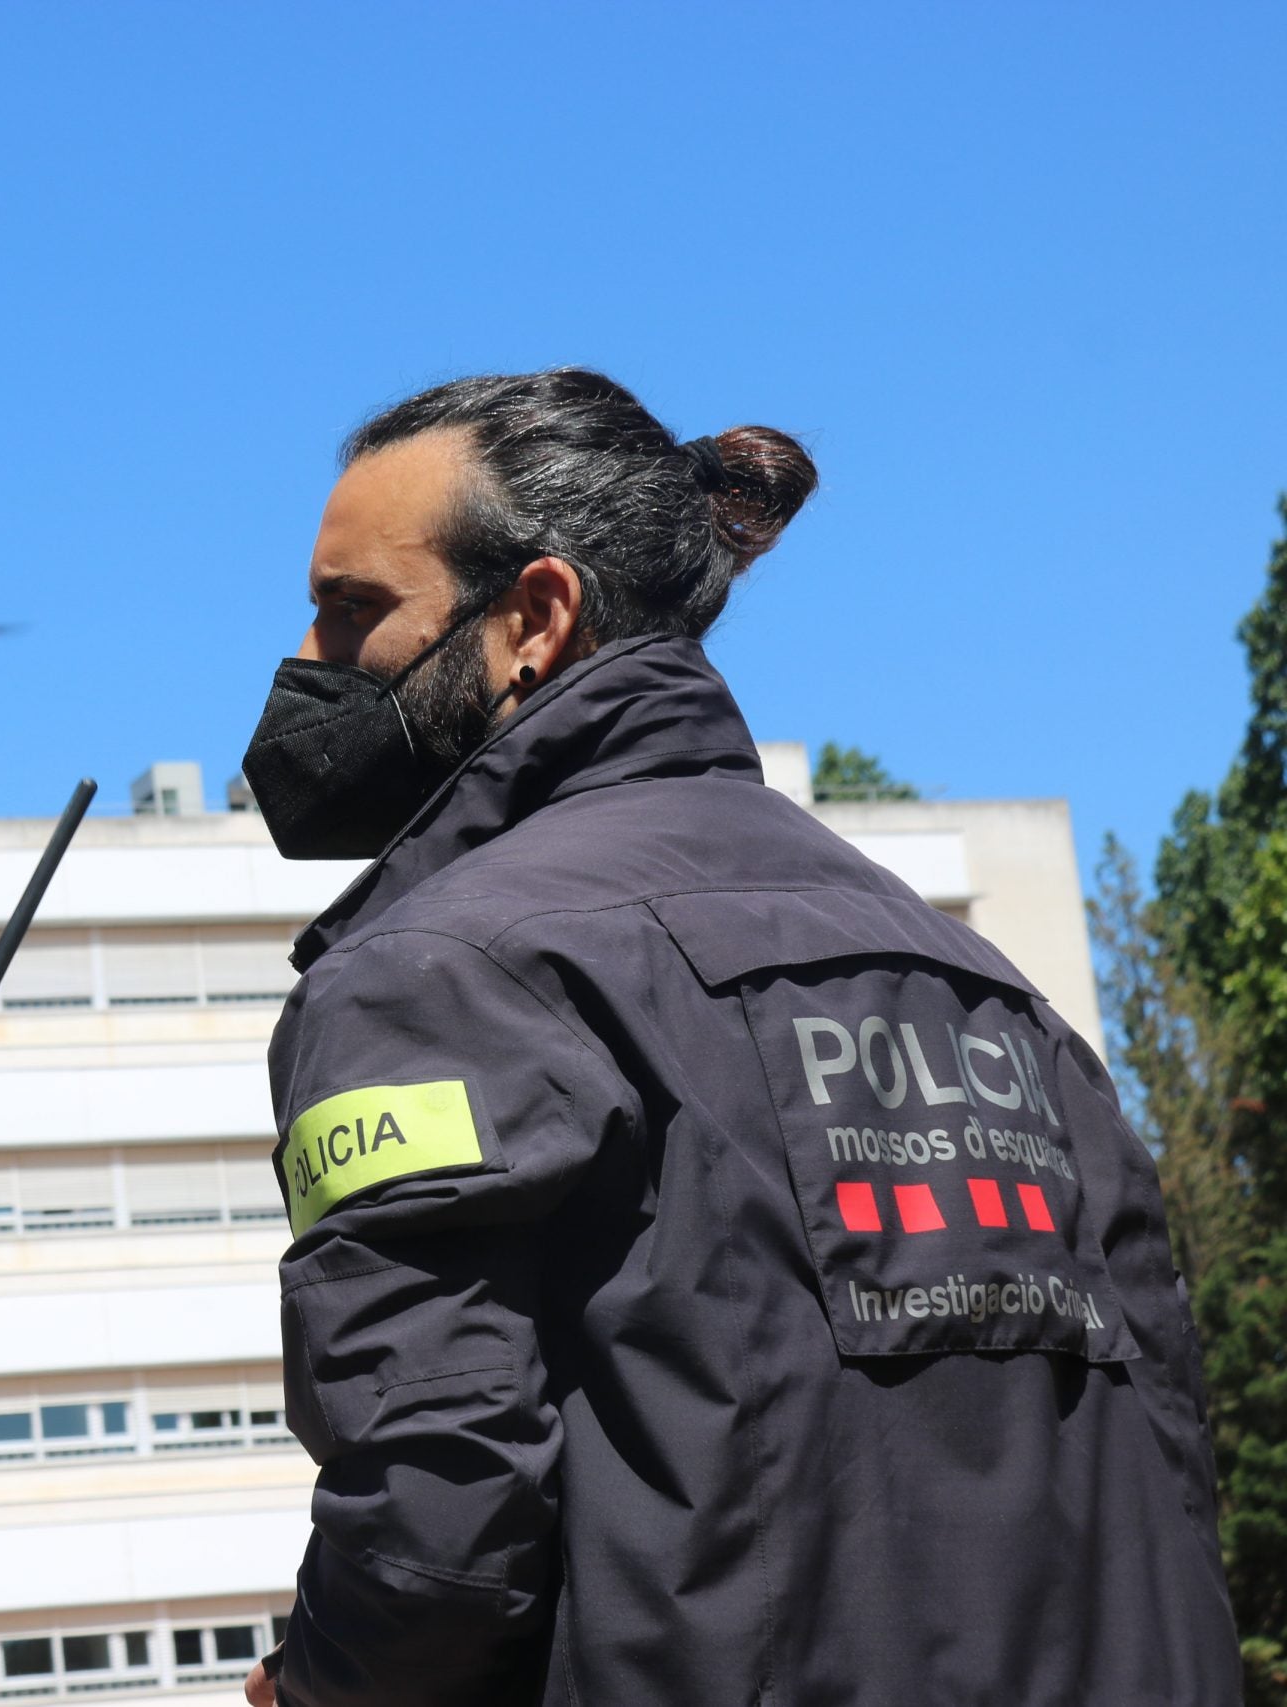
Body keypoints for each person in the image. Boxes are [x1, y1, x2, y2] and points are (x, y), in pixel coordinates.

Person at [234, 370, 1237, 1706]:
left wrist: (321, 1690)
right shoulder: (986, 984)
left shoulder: (435, 978)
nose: (308, 663)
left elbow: (436, 1519)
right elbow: (1168, 1468)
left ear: (535, 618)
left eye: (352, 609)